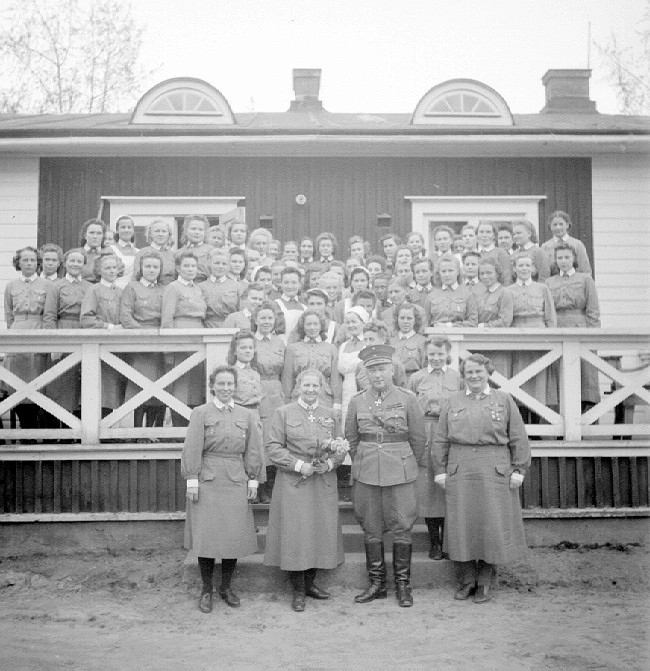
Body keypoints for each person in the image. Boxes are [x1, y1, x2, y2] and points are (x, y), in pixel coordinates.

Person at [432, 354, 531, 604]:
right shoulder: (453, 400)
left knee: (492, 525)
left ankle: (485, 580)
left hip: (494, 469)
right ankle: (467, 581)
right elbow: (440, 439)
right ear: (463, 376)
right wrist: (441, 470)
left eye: (478, 372)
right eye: (469, 373)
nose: (474, 377)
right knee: (461, 526)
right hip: (461, 468)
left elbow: (518, 437)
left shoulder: (503, 399)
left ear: (488, 373)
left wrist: (519, 470)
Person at [345, 344, 427, 608]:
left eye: (382, 368)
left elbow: (418, 438)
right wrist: (367, 457)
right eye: (372, 370)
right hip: (367, 470)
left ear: (392, 369)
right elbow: (352, 438)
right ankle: (377, 584)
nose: (377, 374)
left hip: (400, 471)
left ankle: (403, 585)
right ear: (365, 373)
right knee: (371, 527)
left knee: (402, 527)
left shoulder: (407, 398)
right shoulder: (357, 400)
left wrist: (402, 460)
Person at [182, 365, 262, 613]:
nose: (226, 388)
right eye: (221, 384)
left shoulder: (246, 415)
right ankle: (206, 589)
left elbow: (253, 448)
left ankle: (225, 587)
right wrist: (192, 479)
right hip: (208, 478)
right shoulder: (200, 413)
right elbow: (192, 447)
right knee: (207, 537)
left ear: (235, 387)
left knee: (232, 536)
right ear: (212, 386)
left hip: (236, 478)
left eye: (230, 384)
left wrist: (253, 479)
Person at [264, 369, 346, 611]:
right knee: (296, 533)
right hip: (294, 482)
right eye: (306, 385)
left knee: (318, 530)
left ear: (321, 388)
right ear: (298, 387)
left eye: (315, 386)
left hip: (322, 481)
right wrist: (300, 466)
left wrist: (329, 463)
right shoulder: (283, 413)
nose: (311, 390)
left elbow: (341, 447)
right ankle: (297, 589)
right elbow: (273, 447)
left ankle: (311, 583)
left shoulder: (330, 414)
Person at [408, 337, 461, 560]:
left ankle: (451, 541)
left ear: (447, 354)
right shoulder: (417, 378)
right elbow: (410, 409)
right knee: (430, 488)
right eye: (432, 354)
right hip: (427, 430)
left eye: (440, 354)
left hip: (451, 430)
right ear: (426, 355)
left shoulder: (457, 376)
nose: (436, 358)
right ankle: (435, 542)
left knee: (451, 483)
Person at [546, 243, 601, 410]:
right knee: (559, 373)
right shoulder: (549, 282)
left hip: (580, 326)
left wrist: (592, 337)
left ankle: (585, 418)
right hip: (557, 327)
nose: (563, 261)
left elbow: (593, 310)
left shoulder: (585, 279)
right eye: (560, 258)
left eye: (567, 257)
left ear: (574, 259)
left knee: (584, 372)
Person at [505, 251, 557, 423]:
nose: (524, 268)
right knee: (519, 380)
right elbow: (506, 317)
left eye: (528, 265)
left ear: (533, 268)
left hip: (538, 336)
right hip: (517, 337)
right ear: (514, 269)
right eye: (521, 265)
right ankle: (521, 425)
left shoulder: (542, 289)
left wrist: (551, 340)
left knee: (538, 381)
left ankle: (536, 423)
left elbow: (550, 318)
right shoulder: (508, 291)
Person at [119, 250, 166, 436]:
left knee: (161, 388)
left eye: (156, 267)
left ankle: (155, 432)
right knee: (141, 387)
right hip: (140, 342)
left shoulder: (165, 289)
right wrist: (142, 334)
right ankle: (139, 433)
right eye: (148, 266)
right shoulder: (132, 287)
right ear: (140, 268)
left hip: (161, 342)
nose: (152, 270)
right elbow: (125, 315)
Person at [3, 247, 49, 432]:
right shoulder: (11, 286)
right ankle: (26, 426)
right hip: (18, 330)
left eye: (32, 260)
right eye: (25, 260)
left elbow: (49, 313)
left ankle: (38, 426)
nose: (29, 263)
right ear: (18, 263)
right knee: (16, 381)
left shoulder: (46, 285)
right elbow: (9, 314)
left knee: (38, 378)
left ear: (38, 263)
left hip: (39, 330)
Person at [42, 248, 91, 420]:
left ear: (84, 265)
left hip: (85, 333)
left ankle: (78, 431)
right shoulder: (57, 286)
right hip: (63, 331)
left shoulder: (90, 287)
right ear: (65, 263)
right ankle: (58, 430)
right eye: (72, 261)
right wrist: (55, 343)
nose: (75, 264)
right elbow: (49, 316)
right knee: (61, 382)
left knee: (82, 381)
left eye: (79, 261)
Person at [161, 250, 207, 426]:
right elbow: (167, 318)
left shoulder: (198, 289)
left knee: (195, 385)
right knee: (181, 385)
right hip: (181, 338)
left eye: (193, 266)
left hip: (198, 338)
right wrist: (169, 349)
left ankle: (193, 426)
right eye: (186, 266)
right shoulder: (173, 288)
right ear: (178, 269)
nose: (190, 269)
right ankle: (179, 427)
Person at [80, 252, 124, 419]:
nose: (112, 271)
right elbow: (86, 319)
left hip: (117, 347)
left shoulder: (121, 291)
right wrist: (109, 326)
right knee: (101, 389)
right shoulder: (94, 290)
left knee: (114, 390)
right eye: (107, 268)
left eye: (114, 268)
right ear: (99, 271)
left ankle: (109, 429)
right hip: (98, 345)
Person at [251, 300, 286, 503]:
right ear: (255, 320)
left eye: (269, 318)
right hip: (257, 391)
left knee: (275, 437)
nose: (266, 321)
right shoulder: (250, 341)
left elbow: (286, 373)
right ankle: (259, 485)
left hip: (277, 393)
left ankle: (272, 486)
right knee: (258, 438)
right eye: (262, 317)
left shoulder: (280, 342)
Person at [281, 310, 342, 410]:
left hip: (324, 398)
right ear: (303, 326)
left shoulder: (331, 349)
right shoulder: (293, 348)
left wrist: (337, 402)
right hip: (299, 397)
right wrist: (287, 401)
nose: (312, 328)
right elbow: (287, 378)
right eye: (308, 324)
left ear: (321, 326)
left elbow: (335, 379)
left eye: (315, 324)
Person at [475, 257, 514, 379]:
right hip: (480, 343)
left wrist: (484, 326)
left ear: (497, 274)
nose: (485, 276)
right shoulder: (480, 294)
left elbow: (505, 321)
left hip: (498, 344)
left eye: (489, 273)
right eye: (482, 273)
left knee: (499, 379)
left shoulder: (504, 293)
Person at [425, 255, 478, 328]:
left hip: (460, 337)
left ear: (458, 272)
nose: (447, 274)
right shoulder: (431, 296)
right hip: (436, 336)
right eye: (443, 271)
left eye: (450, 271)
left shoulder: (468, 295)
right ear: (439, 273)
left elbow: (473, 323)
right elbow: (425, 324)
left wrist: (450, 326)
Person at [200, 248, 243, 327]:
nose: (220, 266)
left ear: (229, 266)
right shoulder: (201, 287)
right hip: (207, 328)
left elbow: (241, 312)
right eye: (217, 263)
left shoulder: (237, 286)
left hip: (231, 327)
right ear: (209, 264)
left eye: (224, 264)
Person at [541, 210, 592, 276]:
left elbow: (585, 270)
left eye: (561, 224)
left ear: (567, 225)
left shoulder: (577, 245)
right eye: (555, 225)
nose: (558, 227)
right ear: (550, 226)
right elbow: (543, 272)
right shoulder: (545, 247)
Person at [132, 219, 177, 286]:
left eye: (164, 231)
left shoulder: (173, 255)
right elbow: (137, 276)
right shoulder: (142, 253)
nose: (160, 234)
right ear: (150, 234)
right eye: (157, 231)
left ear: (168, 234)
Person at [390, 302, 426, 381]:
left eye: (409, 318)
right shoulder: (390, 340)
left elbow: (425, 368)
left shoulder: (422, 341)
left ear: (415, 320)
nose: (405, 321)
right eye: (402, 318)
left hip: (412, 380)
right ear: (397, 319)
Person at [177, 214, 212, 283]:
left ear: (205, 233)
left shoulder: (211, 251)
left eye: (200, 229)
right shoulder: (178, 253)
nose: (197, 232)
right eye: (193, 229)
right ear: (186, 231)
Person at [275, 267, 306, 343]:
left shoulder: (305, 307)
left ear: (299, 284)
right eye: (286, 282)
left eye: (294, 282)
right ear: (281, 284)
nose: (290, 286)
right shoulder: (276, 305)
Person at [476, 221, 513, 286]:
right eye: (481, 232)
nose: (484, 235)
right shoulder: (473, 254)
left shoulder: (501, 253)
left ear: (494, 235)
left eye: (488, 232)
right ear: (477, 235)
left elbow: (506, 278)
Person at [110, 215, 139, 290]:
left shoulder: (139, 252)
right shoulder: (110, 250)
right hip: (116, 290)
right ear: (117, 230)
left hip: (134, 291)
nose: (126, 230)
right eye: (123, 227)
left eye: (129, 227)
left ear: (133, 230)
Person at [78, 218, 108, 282]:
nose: (95, 236)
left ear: (103, 236)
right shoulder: (76, 254)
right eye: (92, 233)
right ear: (85, 235)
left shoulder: (108, 254)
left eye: (99, 233)